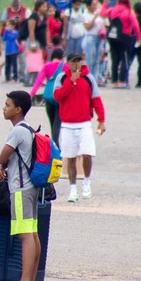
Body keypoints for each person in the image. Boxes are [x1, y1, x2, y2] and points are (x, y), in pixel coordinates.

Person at [0, 90, 42, 281]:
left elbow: (3, 156)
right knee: (32, 233)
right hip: (31, 187)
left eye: (7, 105)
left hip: (20, 189)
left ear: (18, 109)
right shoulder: (29, 129)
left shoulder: (17, 131)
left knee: (24, 235)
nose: (4, 108)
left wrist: (0, 166)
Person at [52, 52, 106, 203]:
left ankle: (87, 181)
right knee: (70, 158)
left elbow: (96, 99)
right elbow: (57, 96)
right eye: (73, 62)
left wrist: (101, 120)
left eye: (78, 61)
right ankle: (73, 188)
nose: (76, 64)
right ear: (67, 63)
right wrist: (70, 81)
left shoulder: (89, 78)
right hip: (68, 125)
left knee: (87, 154)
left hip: (84, 124)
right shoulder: (61, 78)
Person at [28, 48, 66, 144]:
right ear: (62, 57)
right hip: (60, 99)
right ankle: (56, 147)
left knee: (52, 123)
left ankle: (54, 146)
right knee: (57, 125)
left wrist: (30, 94)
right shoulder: (65, 67)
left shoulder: (46, 66)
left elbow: (39, 81)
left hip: (48, 98)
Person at [105, 0, 140, 88]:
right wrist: (139, 38)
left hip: (112, 37)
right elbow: (135, 26)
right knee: (125, 59)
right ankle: (122, 81)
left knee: (115, 59)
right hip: (124, 36)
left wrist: (105, 2)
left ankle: (114, 81)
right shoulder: (128, 11)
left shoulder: (112, 10)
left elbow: (102, 13)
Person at [81, 0, 104, 73]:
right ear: (88, 6)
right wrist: (94, 17)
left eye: (96, 5)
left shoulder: (99, 13)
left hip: (99, 37)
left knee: (97, 60)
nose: (95, 6)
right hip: (90, 37)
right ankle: (88, 77)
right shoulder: (85, 15)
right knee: (90, 60)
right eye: (93, 5)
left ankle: (94, 79)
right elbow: (88, 27)